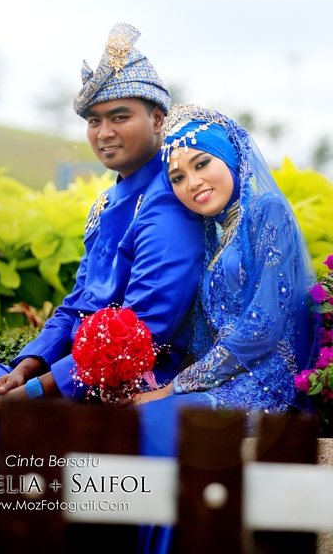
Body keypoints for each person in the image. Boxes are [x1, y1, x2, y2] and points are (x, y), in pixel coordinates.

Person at [0, 25, 204, 446]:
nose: (104, 132)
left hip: (125, 384)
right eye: (94, 121)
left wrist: (38, 390)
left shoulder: (168, 206)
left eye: (119, 117)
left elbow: (144, 331)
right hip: (70, 370)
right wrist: (25, 368)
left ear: (157, 119)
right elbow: (78, 304)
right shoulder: (111, 201)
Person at [132, 103, 317, 459]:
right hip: (221, 378)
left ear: (231, 157)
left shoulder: (266, 210)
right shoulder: (214, 236)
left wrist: (173, 388)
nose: (192, 183)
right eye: (178, 178)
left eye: (201, 163)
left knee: (151, 421)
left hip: (263, 383)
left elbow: (263, 327)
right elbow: (203, 333)